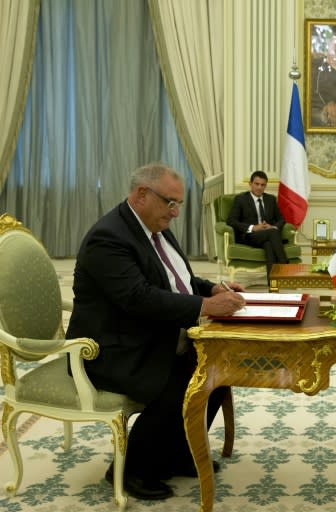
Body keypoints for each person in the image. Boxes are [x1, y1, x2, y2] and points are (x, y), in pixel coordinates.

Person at [66, 163, 247, 501]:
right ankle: (133, 468)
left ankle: (176, 454)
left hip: (149, 333)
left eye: (178, 204)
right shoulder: (109, 238)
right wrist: (204, 308)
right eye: (170, 203)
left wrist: (212, 290)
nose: (175, 212)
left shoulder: (154, 225)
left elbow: (179, 280)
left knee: (221, 369)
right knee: (182, 379)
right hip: (114, 348)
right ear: (141, 195)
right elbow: (138, 298)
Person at [226, 170, 289, 276]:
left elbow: (281, 219)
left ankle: (273, 286)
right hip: (249, 236)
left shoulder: (270, 199)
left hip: (267, 236)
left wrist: (272, 226)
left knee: (269, 245)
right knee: (273, 233)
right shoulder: (241, 199)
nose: (259, 187)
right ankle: (285, 265)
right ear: (250, 184)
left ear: (265, 186)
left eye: (263, 185)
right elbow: (231, 220)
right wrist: (253, 227)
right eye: (257, 184)